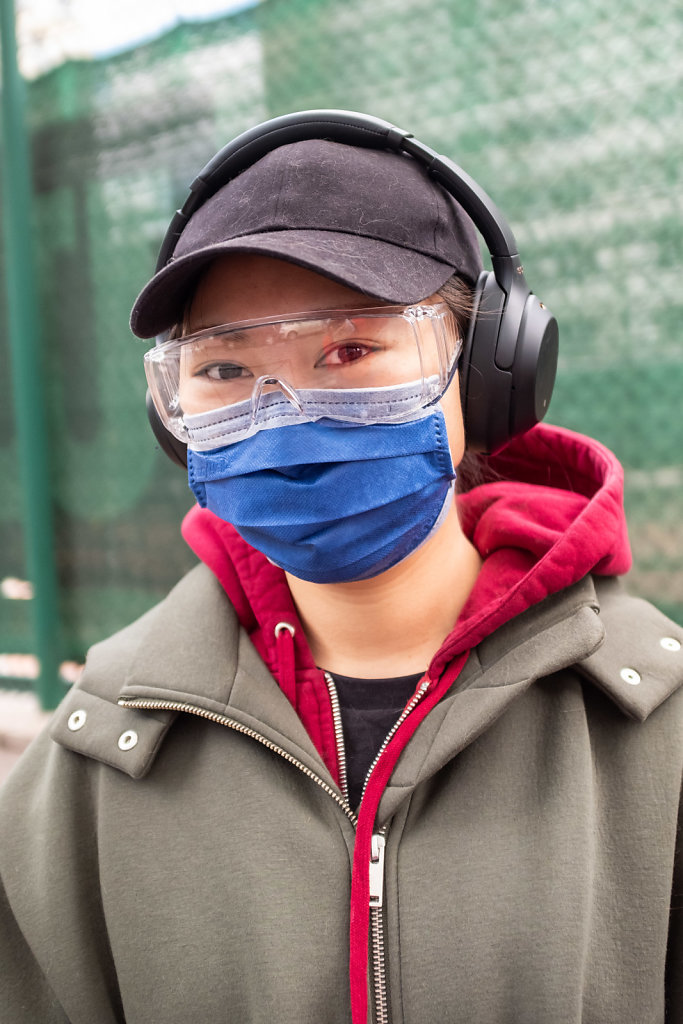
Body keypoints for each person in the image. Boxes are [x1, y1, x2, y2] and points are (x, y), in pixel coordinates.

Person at [1, 110, 681, 1024]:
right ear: (173, 416)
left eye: (350, 350)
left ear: (487, 373)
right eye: (225, 369)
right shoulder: (96, 753)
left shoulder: (658, 736)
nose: (283, 414)